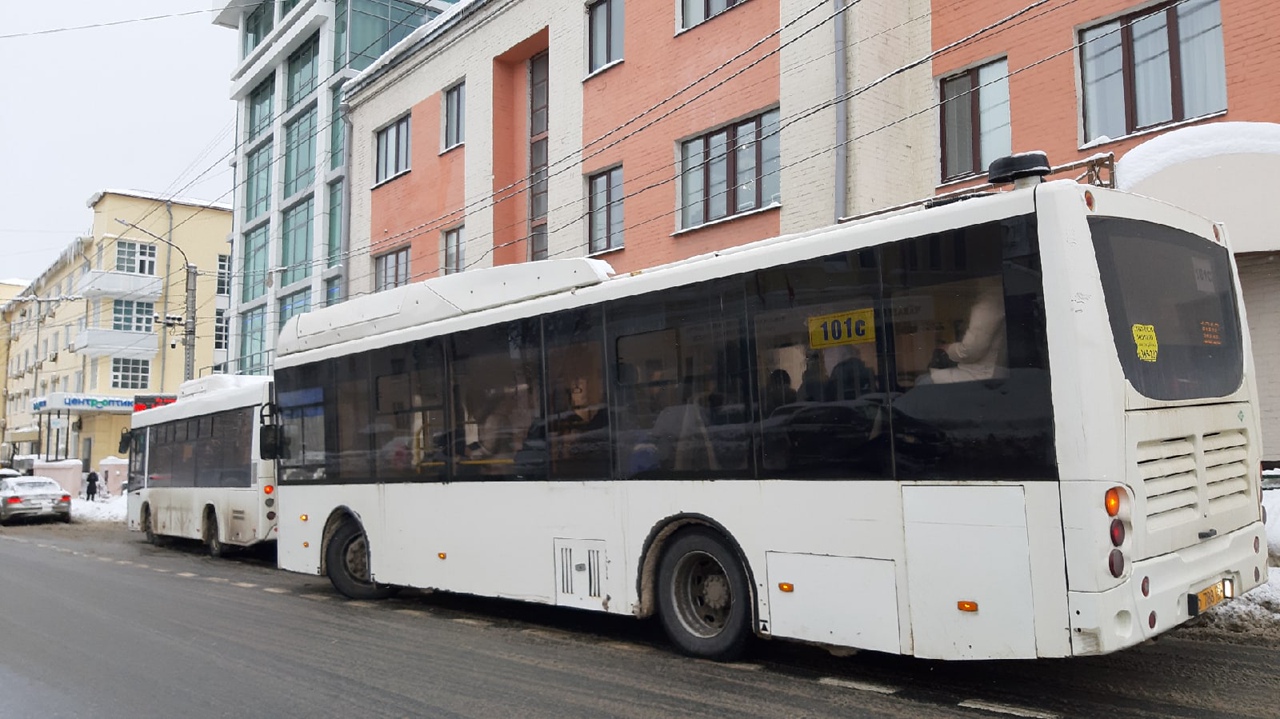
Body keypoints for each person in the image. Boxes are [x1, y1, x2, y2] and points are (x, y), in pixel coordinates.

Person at [929, 276, 1008, 384]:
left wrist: (947, 348)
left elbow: (969, 352)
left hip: (980, 375)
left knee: (923, 381)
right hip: (989, 371)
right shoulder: (996, 298)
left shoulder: (987, 305)